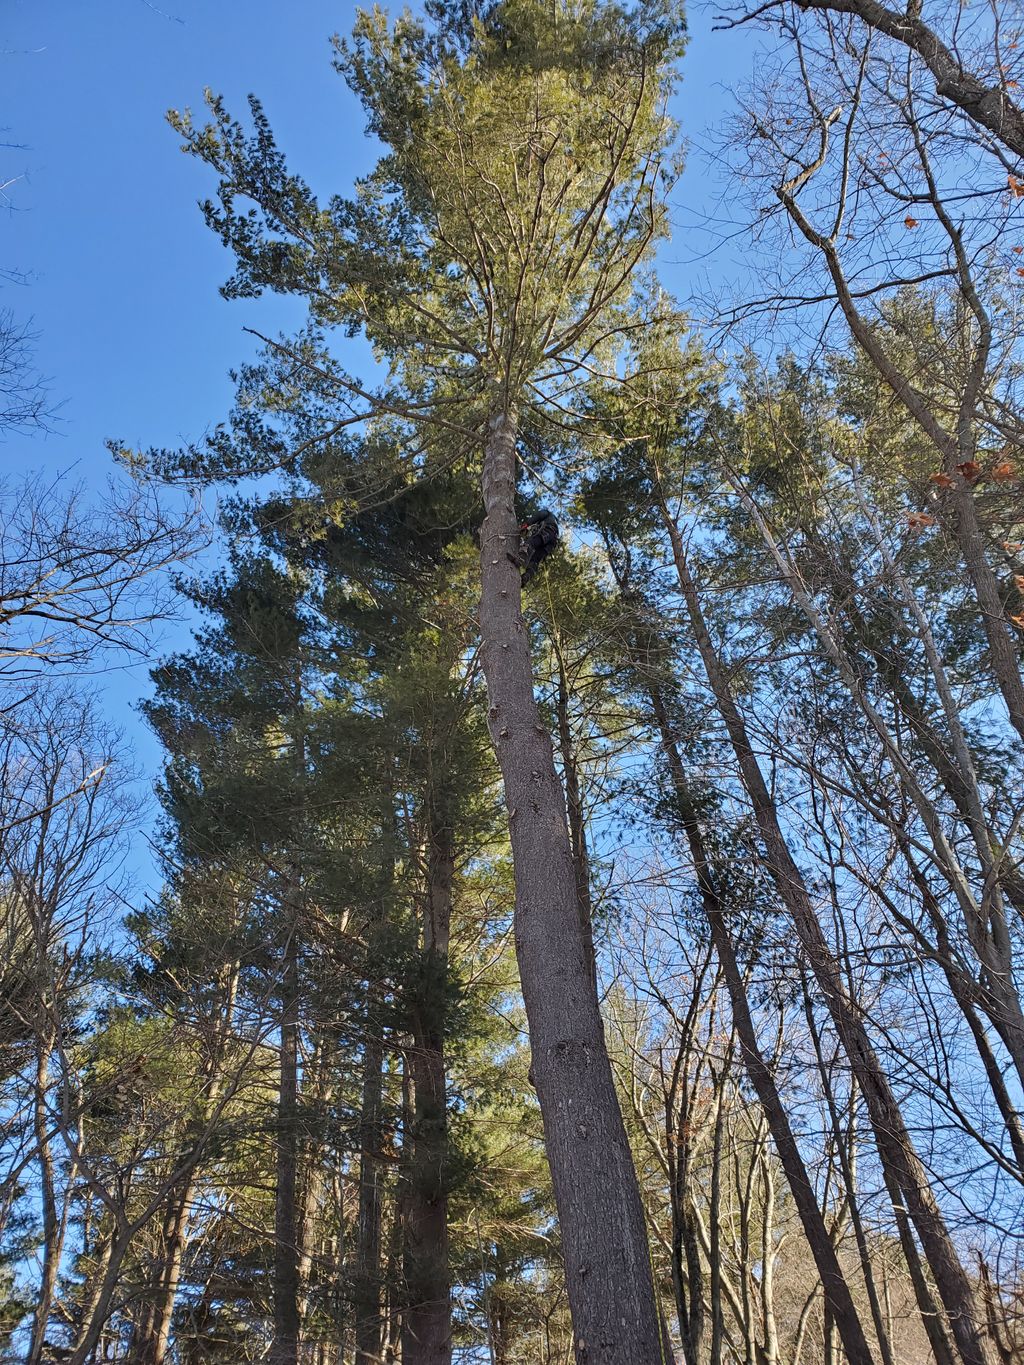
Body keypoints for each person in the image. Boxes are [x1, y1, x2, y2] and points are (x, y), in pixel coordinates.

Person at [509, 508, 559, 586]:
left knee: (530, 542)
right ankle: (526, 577)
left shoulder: (547, 513)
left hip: (547, 531)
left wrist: (526, 524)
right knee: (535, 560)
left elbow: (539, 515)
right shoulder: (554, 524)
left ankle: (520, 559)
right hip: (551, 543)